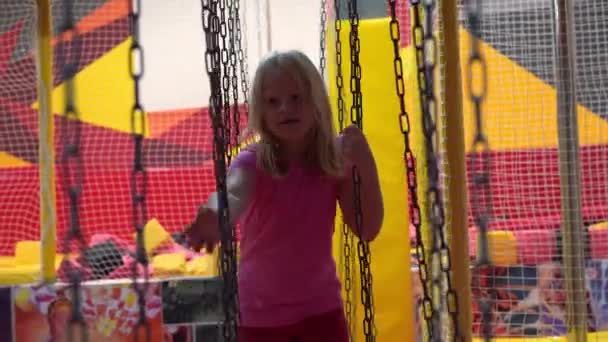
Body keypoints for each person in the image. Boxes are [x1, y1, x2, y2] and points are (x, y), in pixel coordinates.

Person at [186, 49, 384, 342]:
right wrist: (216, 212)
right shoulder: (253, 161)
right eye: (273, 102)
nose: (284, 109)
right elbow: (234, 190)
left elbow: (367, 229)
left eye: (296, 98)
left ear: (316, 102)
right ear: (261, 112)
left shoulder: (333, 160)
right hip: (261, 315)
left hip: (321, 309)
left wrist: (366, 166)